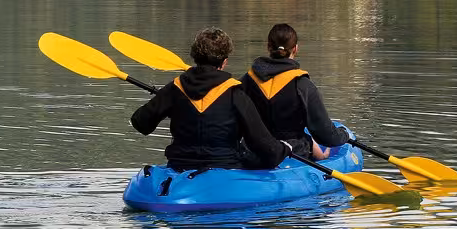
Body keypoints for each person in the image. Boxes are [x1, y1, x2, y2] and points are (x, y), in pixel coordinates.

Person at [130, 27, 289, 171]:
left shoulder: (175, 88)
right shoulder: (235, 93)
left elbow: (140, 122)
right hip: (225, 166)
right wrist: (283, 149)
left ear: (195, 57)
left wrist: (175, 107)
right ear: (224, 61)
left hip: (180, 164)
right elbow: (262, 144)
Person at [240, 23, 352, 159]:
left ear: (268, 47)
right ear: (295, 49)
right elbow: (326, 136)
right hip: (294, 151)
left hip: (252, 150)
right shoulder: (303, 86)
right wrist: (344, 134)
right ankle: (321, 156)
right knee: (310, 143)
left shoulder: (246, 81)